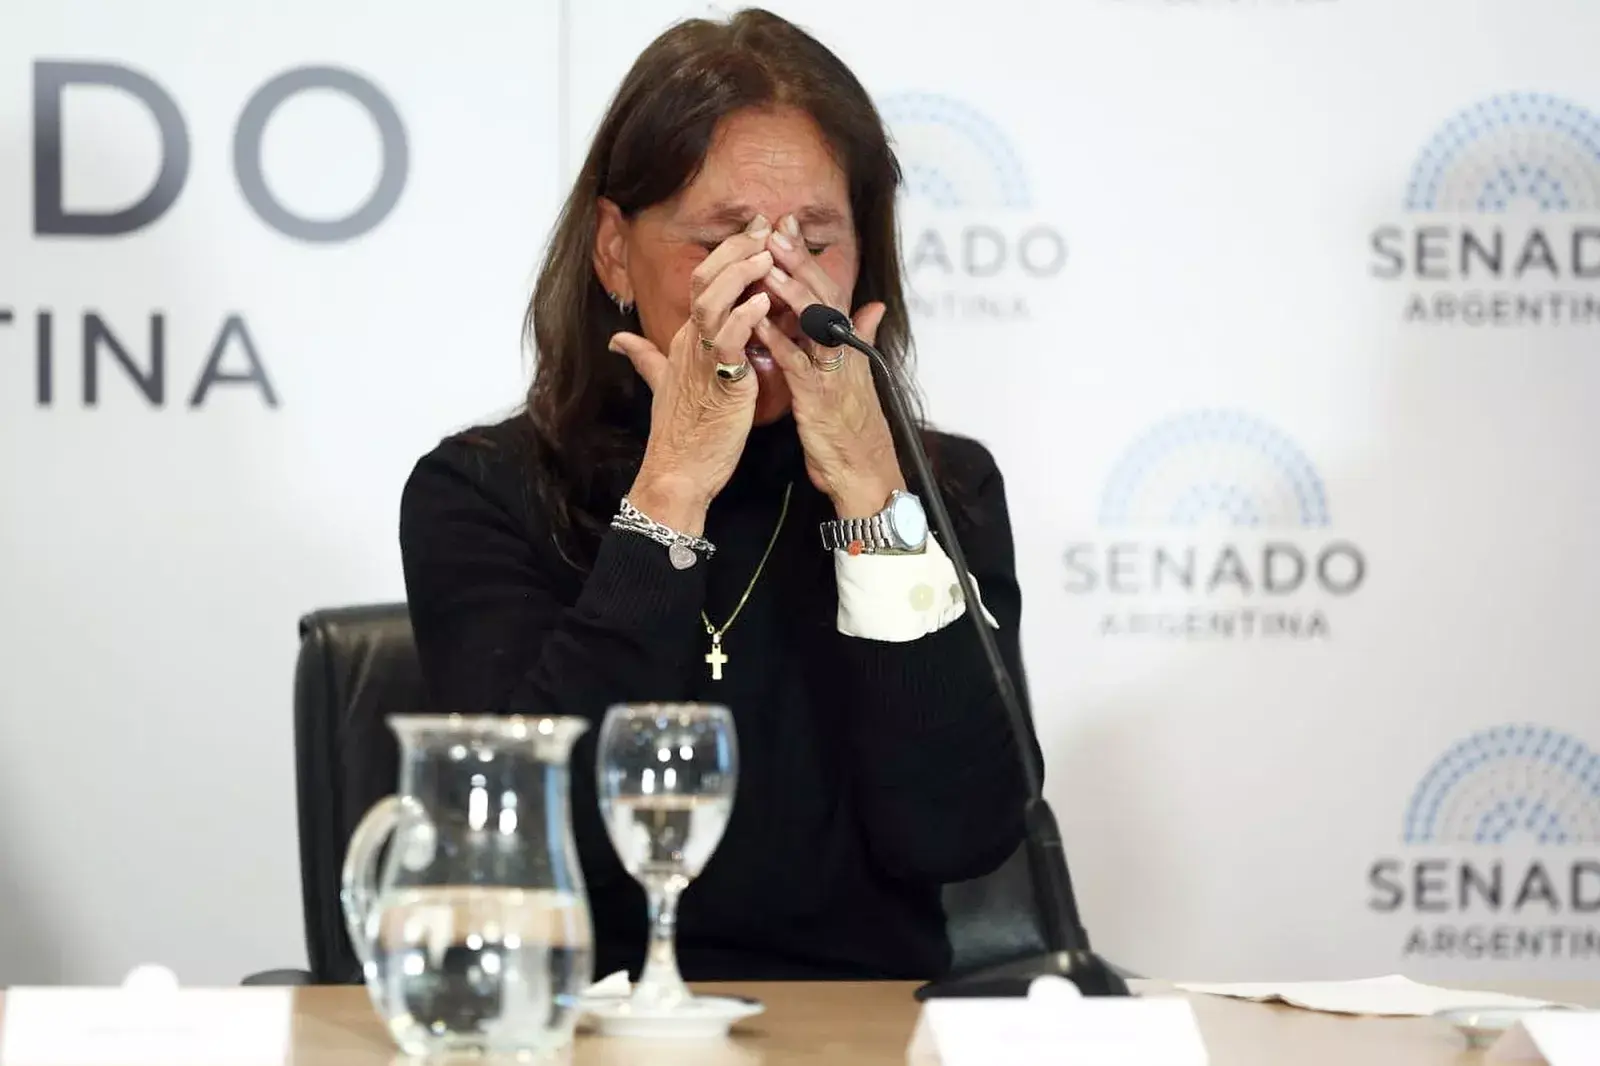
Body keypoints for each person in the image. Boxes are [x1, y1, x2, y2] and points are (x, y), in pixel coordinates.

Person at [399, 7, 1041, 982]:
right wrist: (673, 488)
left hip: (861, 1026)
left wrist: (872, 499)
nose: (775, 285)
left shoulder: (945, 490)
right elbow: (523, 839)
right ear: (614, 251)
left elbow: (959, 833)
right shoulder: (483, 492)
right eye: (724, 241)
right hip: (582, 1017)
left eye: (813, 241)